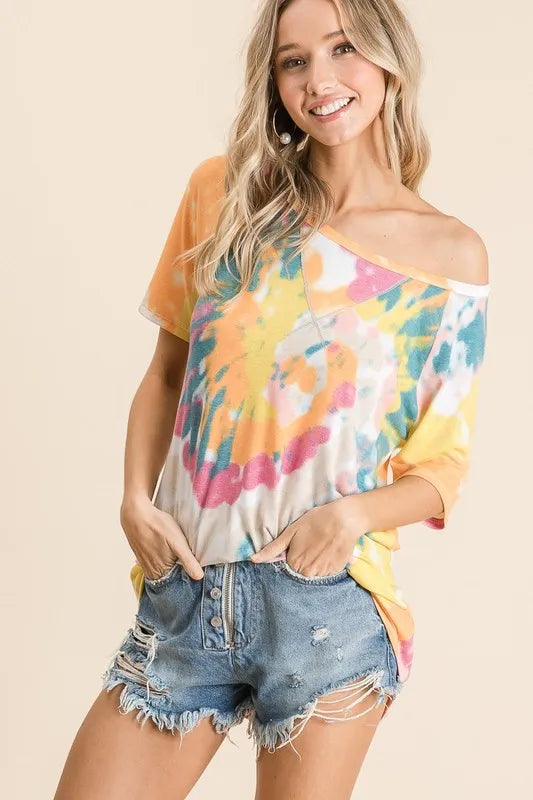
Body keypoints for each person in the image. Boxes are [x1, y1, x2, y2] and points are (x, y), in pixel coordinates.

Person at [53, 0, 490, 797]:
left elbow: (441, 471)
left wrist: (348, 518)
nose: (319, 79)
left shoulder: (447, 256)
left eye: (342, 48)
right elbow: (167, 372)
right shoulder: (224, 193)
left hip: (327, 608)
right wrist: (133, 501)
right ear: (274, 80)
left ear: (388, 59)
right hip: (186, 593)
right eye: (294, 61)